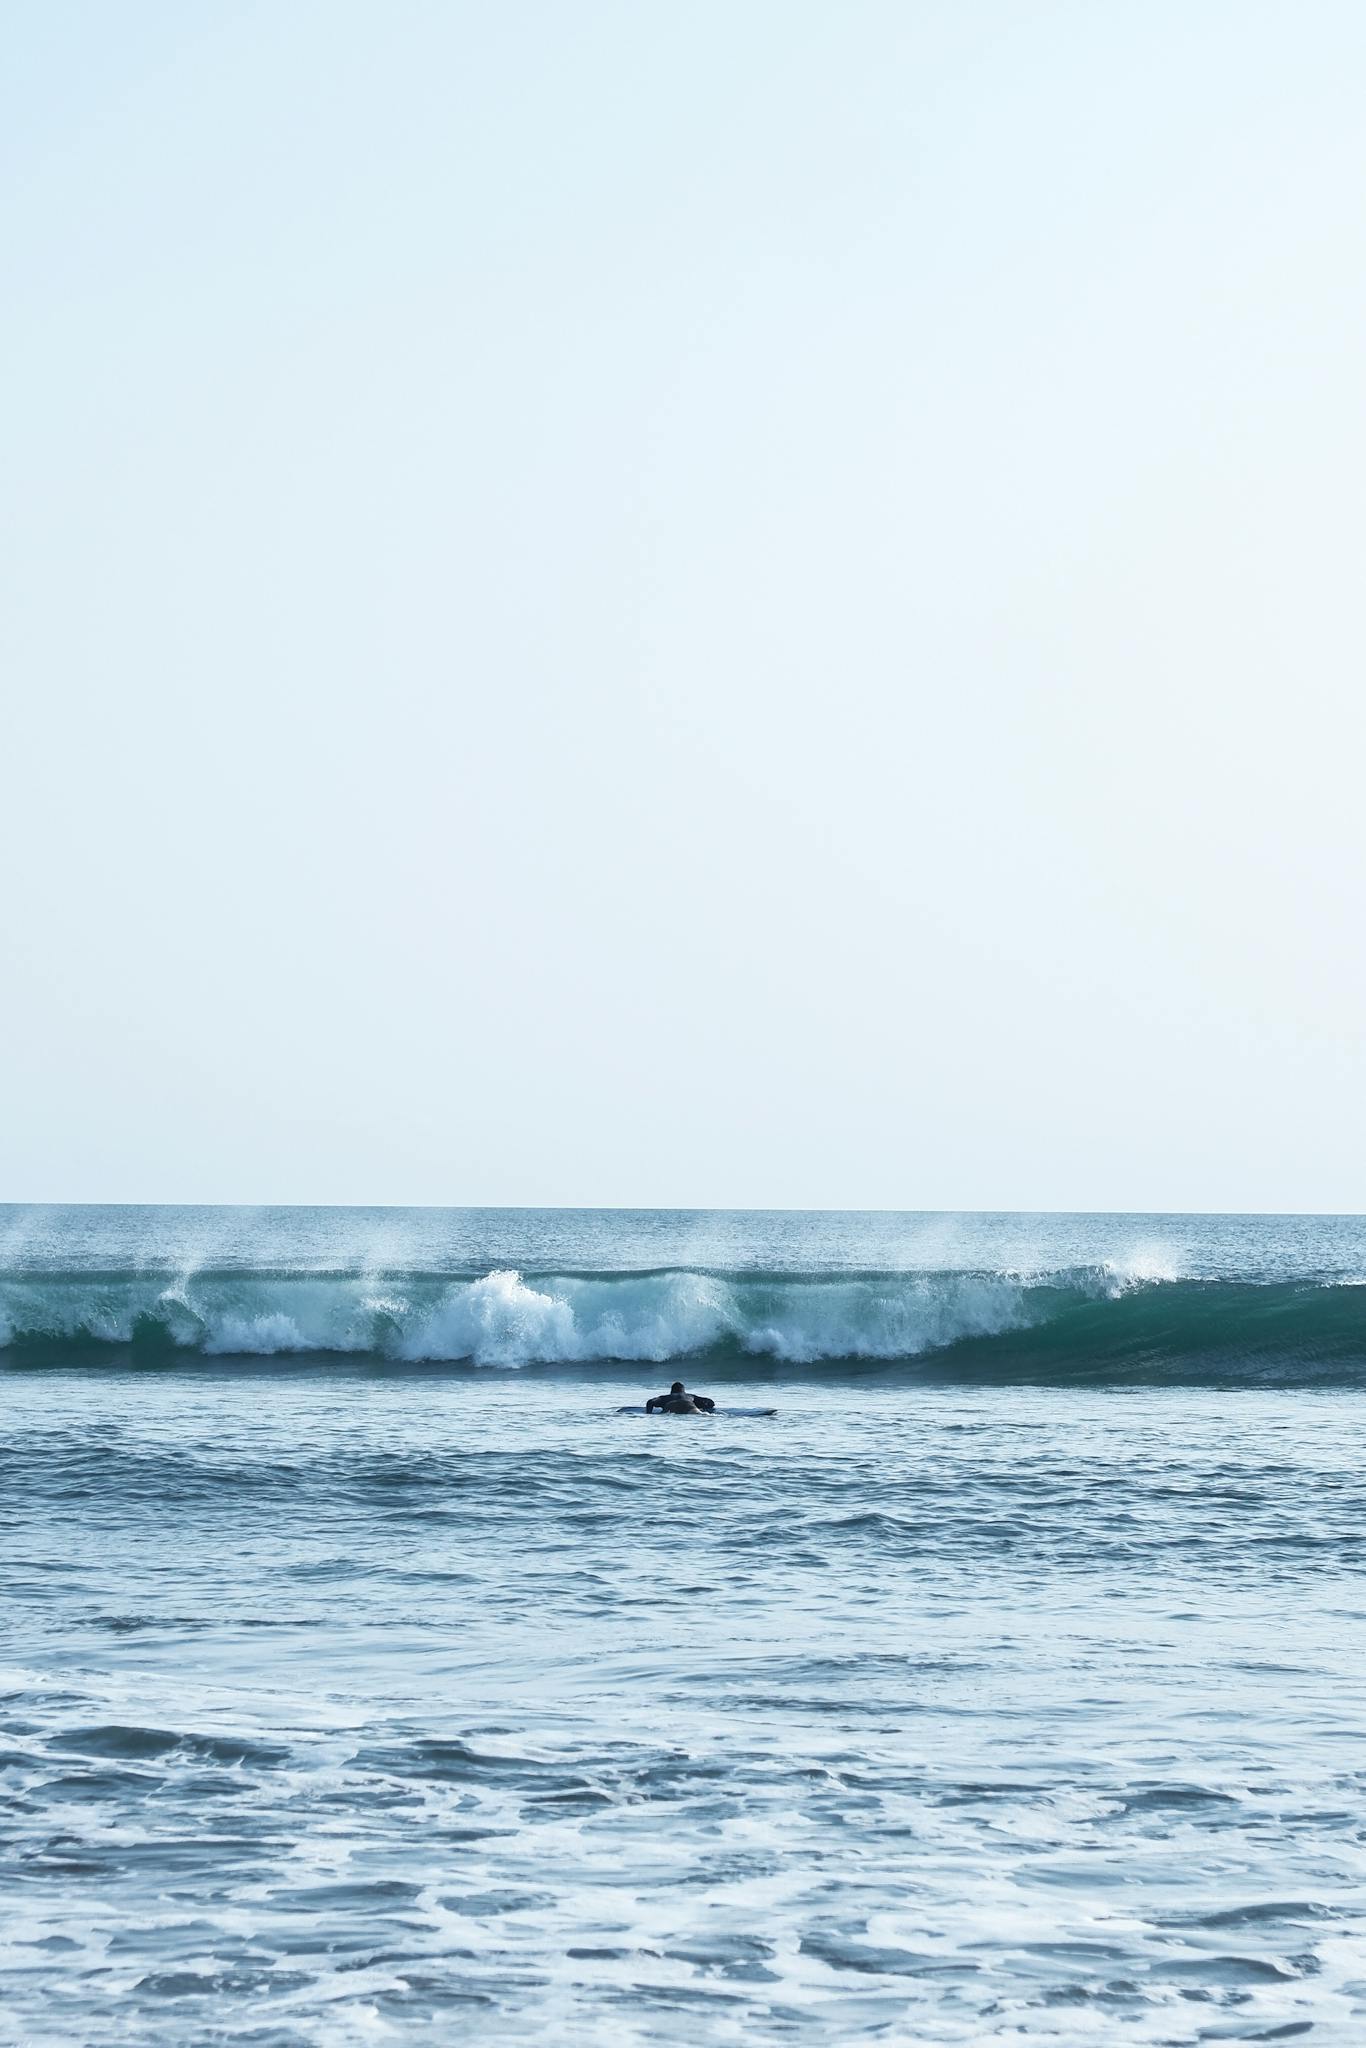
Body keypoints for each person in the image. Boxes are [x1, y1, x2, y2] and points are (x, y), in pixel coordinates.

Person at [645, 1379, 715, 1414]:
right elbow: (710, 1402)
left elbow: (650, 1402)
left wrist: (649, 1414)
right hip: (689, 1405)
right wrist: (705, 1409)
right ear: (683, 1390)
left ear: (672, 1391)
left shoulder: (666, 1397)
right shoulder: (690, 1396)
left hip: (671, 1405)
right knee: (701, 1414)